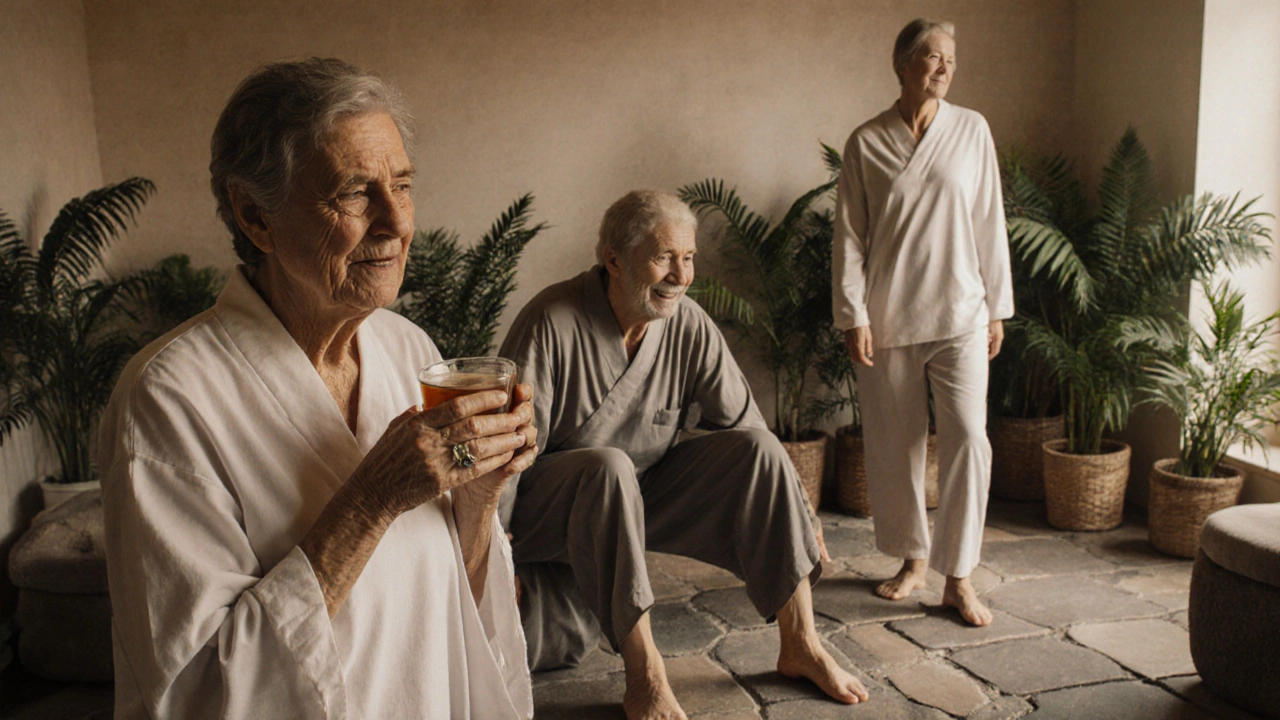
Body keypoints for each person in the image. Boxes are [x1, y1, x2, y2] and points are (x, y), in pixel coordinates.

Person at [98, 58, 538, 719]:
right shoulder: (168, 398)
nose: (395, 221)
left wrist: (477, 501)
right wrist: (372, 499)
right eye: (355, 193)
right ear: (255, 217)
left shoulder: (409, 351)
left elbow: (456, 613)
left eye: (403, 185)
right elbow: (193, 694)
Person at [500, 190, 869, 720]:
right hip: (555, 506)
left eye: (689, 257)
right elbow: (506, 454)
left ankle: (801, 642)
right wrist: (490, 555)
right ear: (614, 261)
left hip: (641, 497)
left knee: (759, 450)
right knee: (609, 467)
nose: (681, 274)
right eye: (663, 257)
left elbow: (745, 422)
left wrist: (802, 513)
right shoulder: (551, 321)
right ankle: (644, 675)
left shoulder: (687, 323)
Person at [832, 18, 1013, 626]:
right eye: (933, 58)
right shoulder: (866, 142)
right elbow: (851, 237)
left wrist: (995, 307)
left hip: (961, 309)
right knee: (894, 444)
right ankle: (913, 557)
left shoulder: (972, 130)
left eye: (951, 60)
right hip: (889, 317)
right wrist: (854, 313)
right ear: (902, 64)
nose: (944, 68)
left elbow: (990, 219)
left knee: (969, 438)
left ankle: (958, 576)